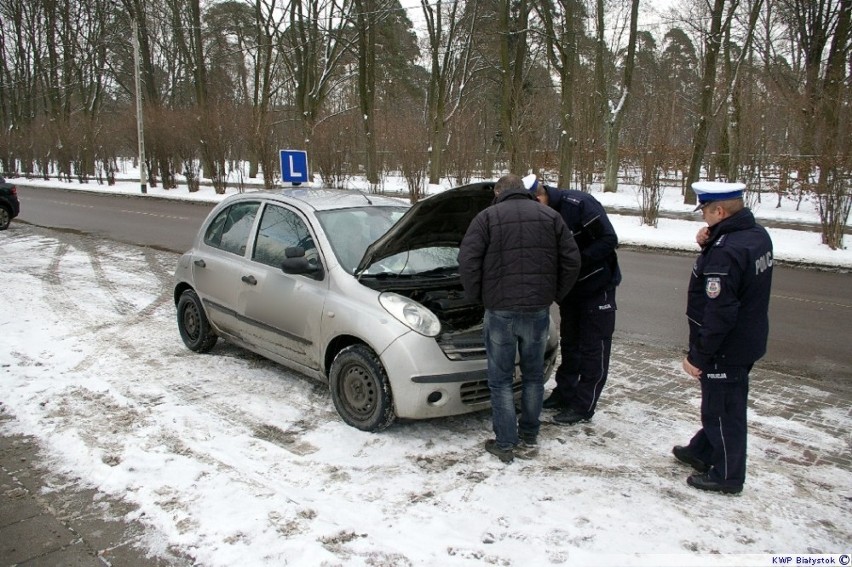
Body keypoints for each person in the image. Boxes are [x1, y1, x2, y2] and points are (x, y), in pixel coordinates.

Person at [458, 174, 581, 463]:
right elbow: (572, 260)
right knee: (533, 376)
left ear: (499, 192)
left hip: (500, 312)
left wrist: (479, 297)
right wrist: (553, 294)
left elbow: (468, 261)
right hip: (538, 311)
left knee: (500, 380)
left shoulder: (486, 218)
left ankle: (505, 442)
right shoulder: (550, 216)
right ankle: (529, 433)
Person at [673, 181, 774, 494]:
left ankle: (727, 475)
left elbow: (721, 311)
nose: (702, 216)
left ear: (719, 210)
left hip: (726, 347)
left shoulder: (726, 251)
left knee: (722, 411)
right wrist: (709, 242)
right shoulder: (755, 236)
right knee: (721, 403)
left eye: (705, 210)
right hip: (747, 339)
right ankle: (702, 451)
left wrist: (698, 356)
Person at [523, 174, 622, 425]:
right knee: (571, 345)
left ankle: (583, 406)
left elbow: (609, 240)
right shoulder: (537, 214)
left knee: (593, 348)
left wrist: (575, 260)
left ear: (539, 196)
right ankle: (564, 394)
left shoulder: (579, 204)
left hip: (597, 286)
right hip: (570, 290)